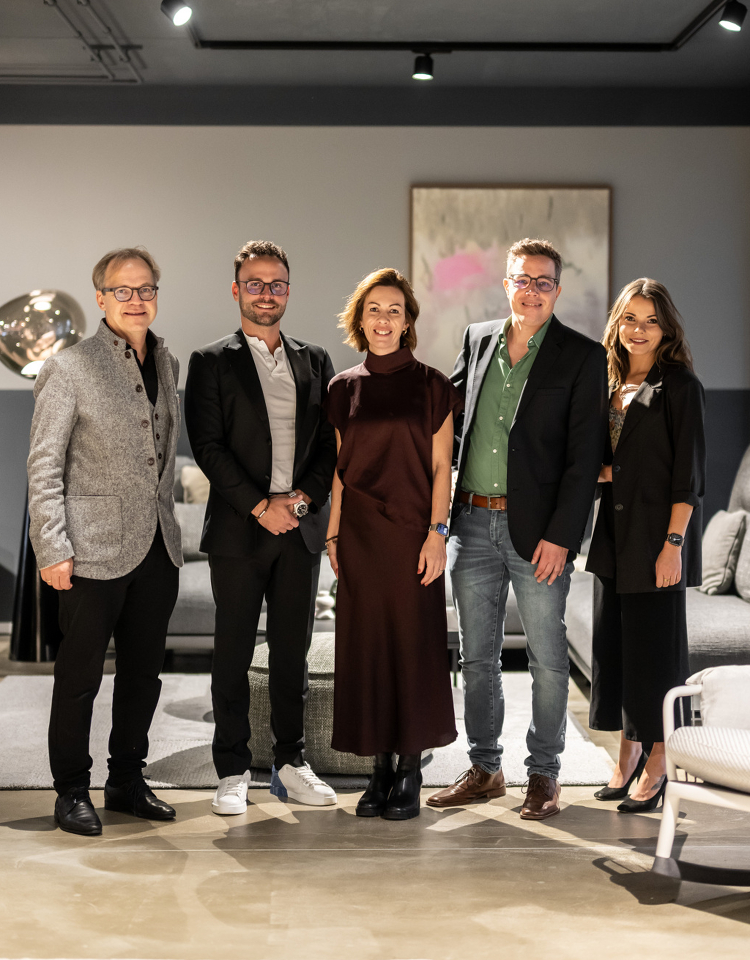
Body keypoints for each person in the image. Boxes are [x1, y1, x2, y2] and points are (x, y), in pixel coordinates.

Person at [427, 238, 608, 820]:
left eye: (543, 281)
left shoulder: (582, 356)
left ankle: (544, 773)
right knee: (476, 658)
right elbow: (448, 423)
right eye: (522, 279)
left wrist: (563, 536)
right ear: (506, 284)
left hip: (541, 535)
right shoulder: (478, 339)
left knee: (548, 660)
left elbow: (584, 458)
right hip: (471, 522)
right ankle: (485, 768)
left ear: (557, 289)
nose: (532, 290)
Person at [27, 247, 183, 836]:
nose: (136, 300)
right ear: (101, 298)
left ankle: (126, 780)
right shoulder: (69, 368)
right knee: (80, 678)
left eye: (146, 289)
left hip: (158, 546)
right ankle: (71, 789)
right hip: (90, 550)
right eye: (123, 290)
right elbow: (44, 467)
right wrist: (53, 547)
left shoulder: (167, 362)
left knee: (143, 675)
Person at [185, 240, 337, 815]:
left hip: (299, 529)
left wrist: (299, 502)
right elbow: (208, 447)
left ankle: (291, 763)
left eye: (276, 284)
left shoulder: (314, 359)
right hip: (238, 532)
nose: (266, 293)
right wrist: (259, 506)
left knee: (292, 653)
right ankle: (231, 770)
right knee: (232, 651)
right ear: (237, 290)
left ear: (288, 291)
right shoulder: (210, 361)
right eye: (255, 283)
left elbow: (329, 445)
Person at [325, 268, 462, 821]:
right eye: (374, 310)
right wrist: (333, 534)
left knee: (412, 648)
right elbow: (339, 471)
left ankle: (410, 768)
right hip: (359, 537)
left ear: (408, 322)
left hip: (412, 536)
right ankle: (379, 769)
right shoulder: (341, 388)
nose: (384, 320)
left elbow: (442, 468)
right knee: (367, 651)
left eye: (394, 311)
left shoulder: (433, 385)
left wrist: (437, 533)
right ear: (360, 319)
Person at [586, 279, 705, 813]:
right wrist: (605, 473)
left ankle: (659, 759)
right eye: (630, 319)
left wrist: (673, 545)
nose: (639, 330)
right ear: (617, 324)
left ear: (666, 328)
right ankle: (628, 750)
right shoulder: (607, 382)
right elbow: (601, 461)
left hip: (658, 538)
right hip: (613, 536)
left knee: (655, 654)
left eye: (651, 320)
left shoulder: (680, 386)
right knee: (615, 649)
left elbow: (688, 477)